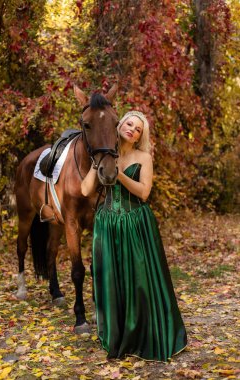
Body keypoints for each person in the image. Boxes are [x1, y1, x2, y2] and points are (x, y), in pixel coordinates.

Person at [81, 111, 187, 361]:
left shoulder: (143, 157)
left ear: (140, 136)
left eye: (137, 128)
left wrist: (119, 176)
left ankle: (141, 334)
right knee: (111, 278)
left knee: (139, 279)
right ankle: (117, 337)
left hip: (135, 222)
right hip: (107, 224)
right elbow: (86, 190)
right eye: (129, 123)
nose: (132, 129)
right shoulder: (105, 152)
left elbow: (144, 193)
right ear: (119, 125)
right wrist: (99, 163)